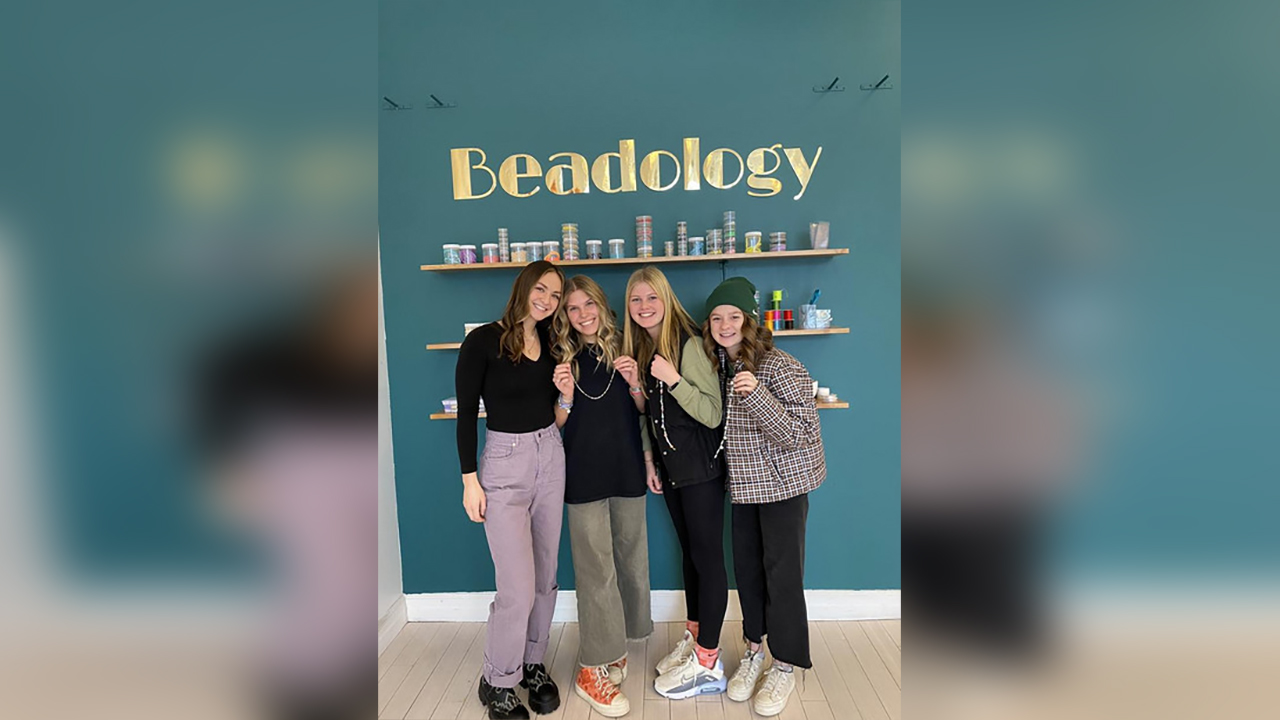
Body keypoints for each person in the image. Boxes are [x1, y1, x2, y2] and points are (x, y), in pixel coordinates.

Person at [701, 277, 826, 717]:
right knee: (749, 571)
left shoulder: (781, 366)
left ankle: (785, 664)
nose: (724, 324)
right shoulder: (719, 365)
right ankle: (755, 650)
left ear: (749, 322)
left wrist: (758, 397)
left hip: (783, 488)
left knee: (783, 576)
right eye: (716, 317)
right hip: (743, 489)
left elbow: (801, 433)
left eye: (733, 316)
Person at [455, 261, 566, 720]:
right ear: (523, 286)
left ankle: (531, 663)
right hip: (503, 464)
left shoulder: (554, 345)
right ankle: (497, 679)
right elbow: (465, 416)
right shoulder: (482, 340)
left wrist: (566, 396)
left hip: (550, 455)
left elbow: (557, 416)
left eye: (556, 296)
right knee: (516, 587)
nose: (547, 300)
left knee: (544, 576)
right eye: (542, 289)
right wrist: (469, 481)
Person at [617, 266, 728, 700]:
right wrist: (649, 458)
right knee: (691, 558)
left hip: (701, 470)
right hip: (671, 470)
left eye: (651, 298)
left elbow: (712, 413)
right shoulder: (646, 348)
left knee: (708, 560)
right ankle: (696, 638)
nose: (643, 307)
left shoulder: (690, 343)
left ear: (666, 299)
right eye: (635, 300)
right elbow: (650, 412)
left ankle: (708, 663)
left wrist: (674, 379)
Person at [550, 275, 655, 717]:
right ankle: (592, 665)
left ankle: (617, 646)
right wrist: (566, 398)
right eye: (572, 309)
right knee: (596, 572)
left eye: (587, 304)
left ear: (601, 305)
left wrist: (635, 384)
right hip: (583, 476)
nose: (582, 314)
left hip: (628, 469)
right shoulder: (559, 358)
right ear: (565, 317)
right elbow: (552, 426)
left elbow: (647, 410)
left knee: (631, 562)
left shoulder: (627, 346)